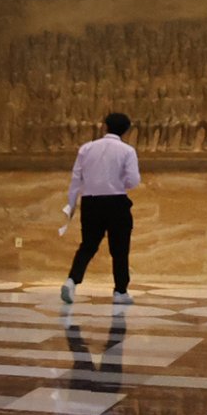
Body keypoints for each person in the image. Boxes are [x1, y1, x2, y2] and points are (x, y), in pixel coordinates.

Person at [59, 112, 141, 306]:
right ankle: (120, 291)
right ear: (126, 130)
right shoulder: (127, 151)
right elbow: (133, 180)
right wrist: (118, 180)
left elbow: (76, 179)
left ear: (105, 126)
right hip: (116, 201)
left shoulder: (86, 148)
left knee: (88, 245)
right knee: (119, 249)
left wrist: (71, 204)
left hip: (91, 202)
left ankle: (72, 280)